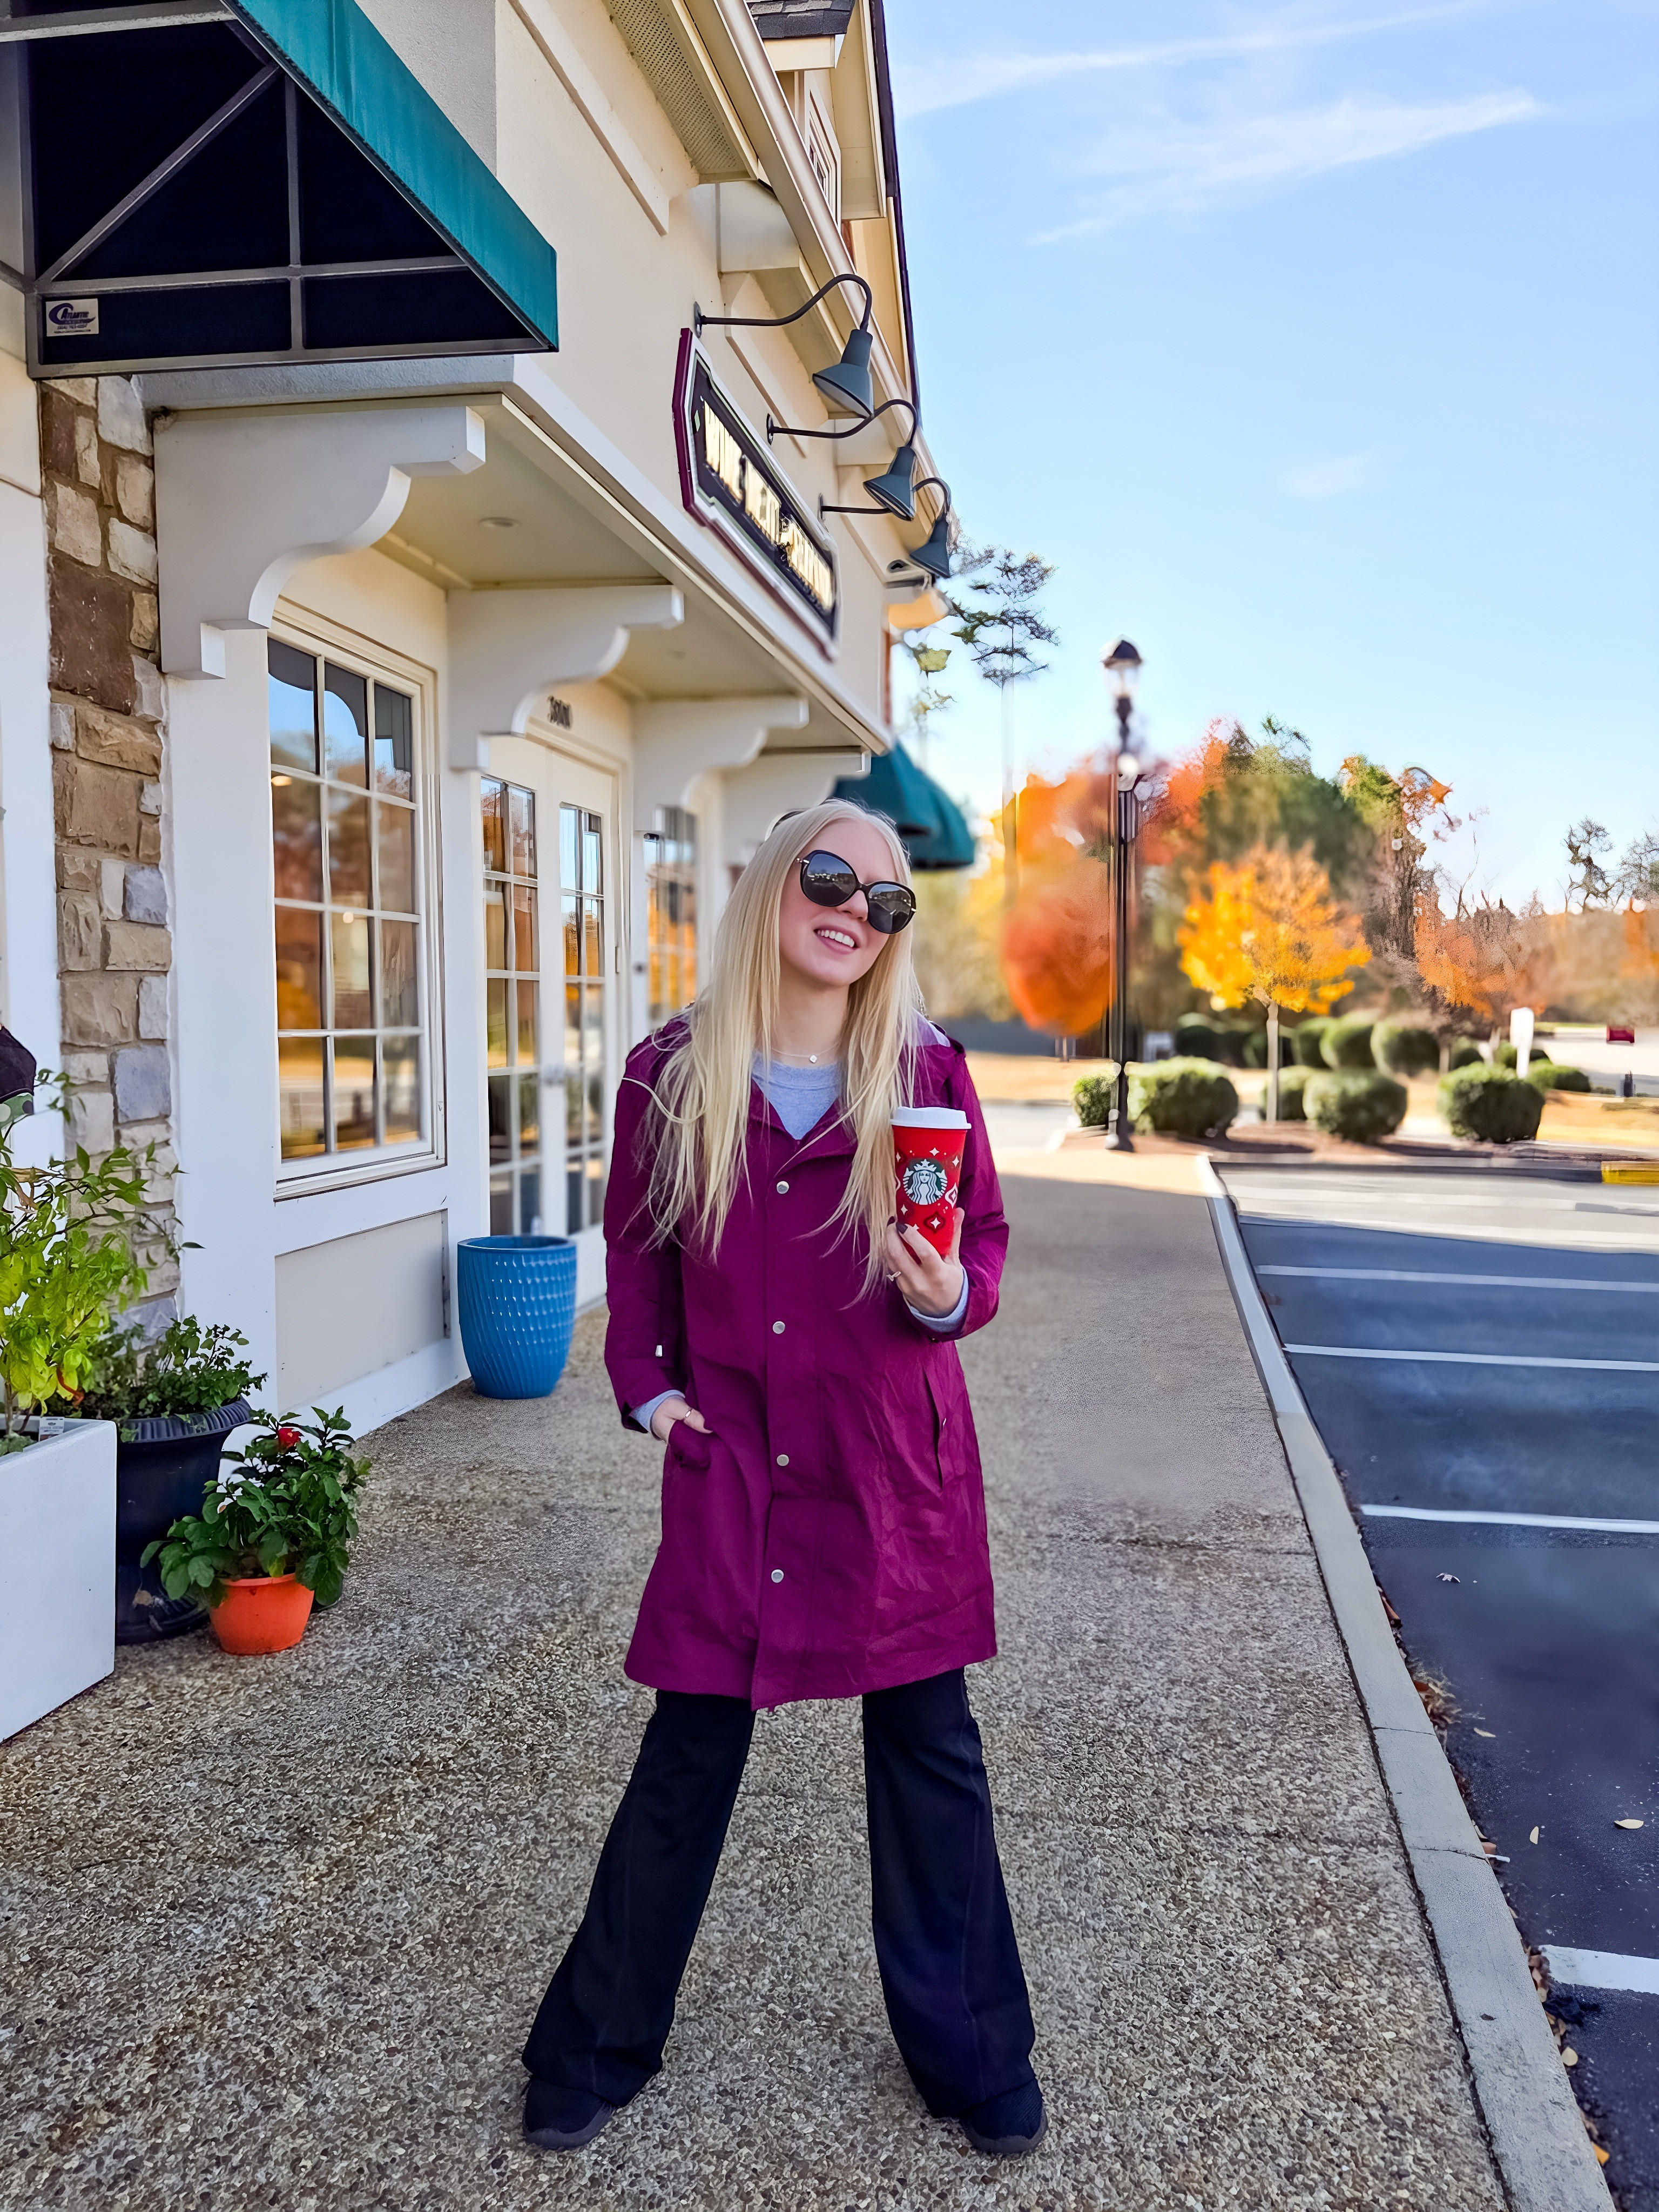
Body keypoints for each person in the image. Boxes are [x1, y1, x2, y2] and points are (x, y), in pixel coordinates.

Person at [521, 800, 1043, 2158]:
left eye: (887, 901)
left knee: (930, 1753)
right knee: (689, 1750)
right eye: (831, 877)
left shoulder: (926, 1070)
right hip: (737, 1458)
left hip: (890, 1461)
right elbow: (634, 1251)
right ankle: (596, 2040)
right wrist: (646, 1388)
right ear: (772, 883)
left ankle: (977, 2054)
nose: (857, 911)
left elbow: (981, 1241)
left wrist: (947, 1296)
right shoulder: (669, 1074)